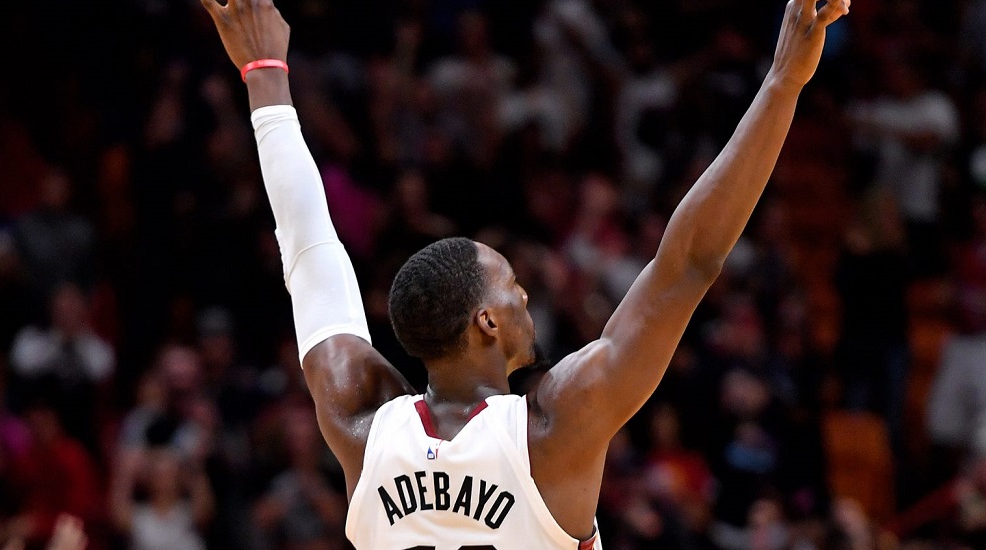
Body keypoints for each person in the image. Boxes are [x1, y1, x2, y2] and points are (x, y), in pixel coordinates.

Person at [197, 0, 850, 547]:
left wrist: (264, 75)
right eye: (511, 285)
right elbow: (690, 262)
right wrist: (782, 85)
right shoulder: (551, 430)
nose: (525, 294)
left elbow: (309, 249)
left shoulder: (361, 426)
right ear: (485, 321)